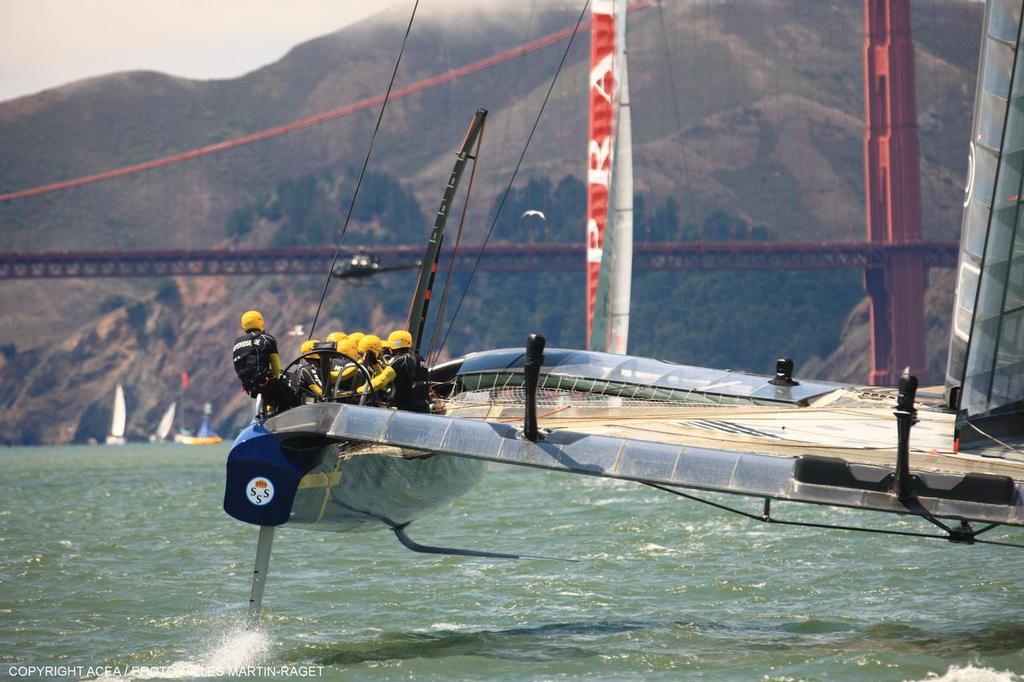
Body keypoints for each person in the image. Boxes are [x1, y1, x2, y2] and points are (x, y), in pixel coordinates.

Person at [232, 310, 299, 413]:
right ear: (260, 322)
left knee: (273, 397)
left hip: (250, 388)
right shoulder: (267, 339)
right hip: (265, 383)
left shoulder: (237, 343)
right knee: (293, 399)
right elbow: (276, 369)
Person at [385, 329, 431, 412]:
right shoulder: (420, 359)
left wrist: (360, 390)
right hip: (423, 408)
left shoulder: (399, 361)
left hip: (403, 410)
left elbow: (382, 380)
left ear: (391, 347)